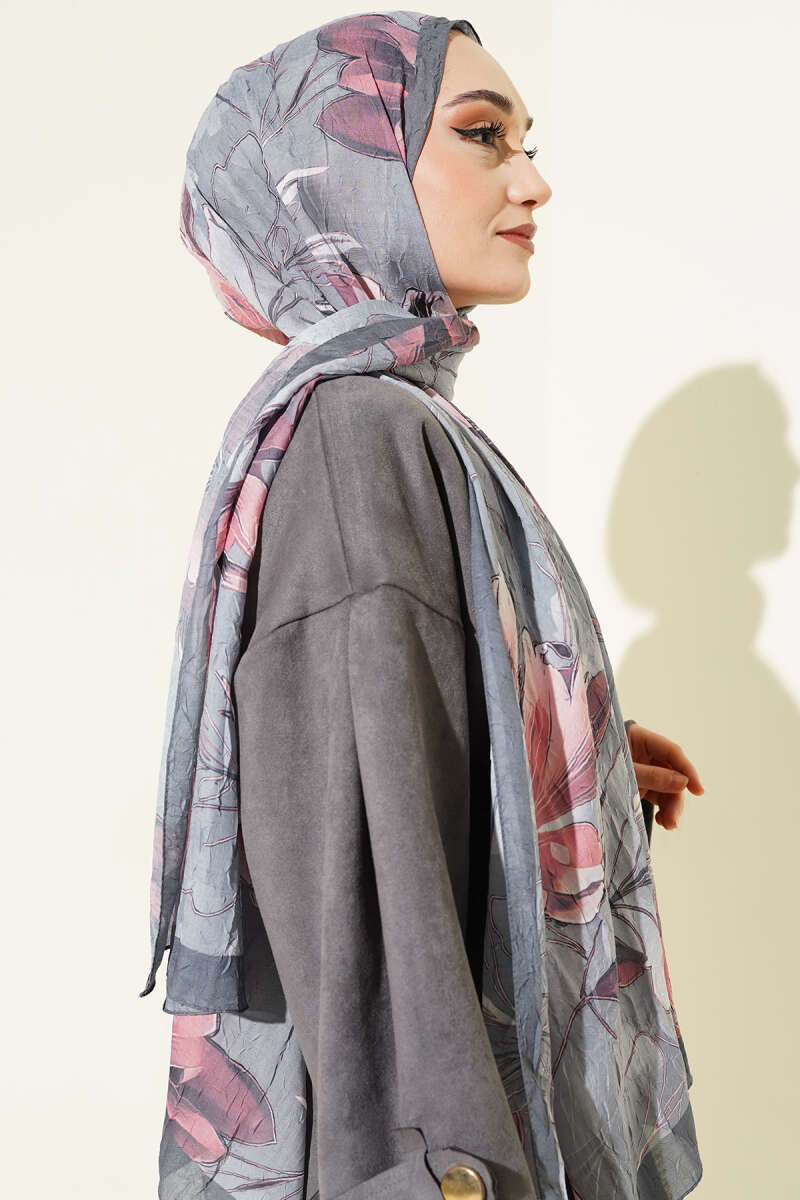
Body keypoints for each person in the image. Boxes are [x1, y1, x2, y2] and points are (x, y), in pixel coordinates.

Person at [142, 13, 704, 1200]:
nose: (532, 182)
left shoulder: (396, 423)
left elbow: (363, 776)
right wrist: (441, 1171)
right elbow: (362, 883)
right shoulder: (361, 438)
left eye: (526, 142)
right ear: (335, 174)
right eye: (482, 136)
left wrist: (559, 758)